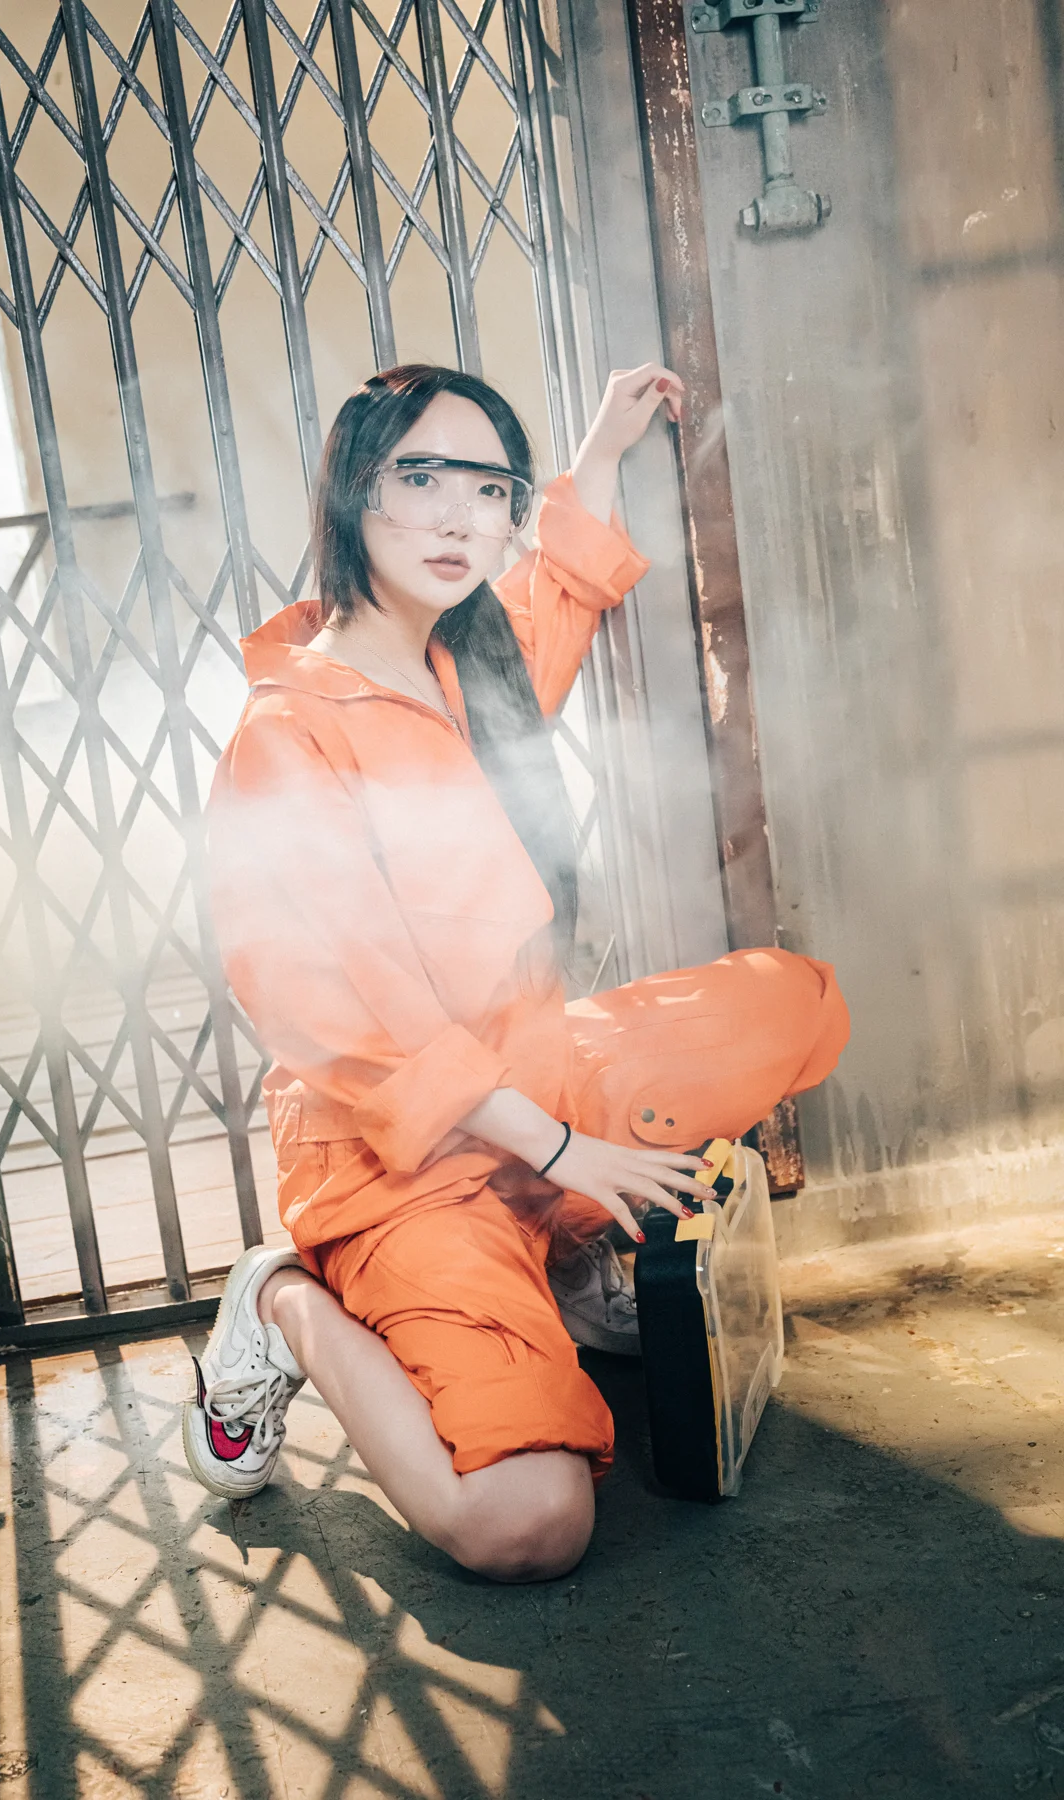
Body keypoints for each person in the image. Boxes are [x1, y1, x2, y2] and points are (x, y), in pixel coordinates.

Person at [186, 362, 850, 1583]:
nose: (460, 515)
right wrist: (561, 1151)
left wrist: (596, 453)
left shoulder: (465, 666)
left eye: (488, 488)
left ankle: (555, 1252)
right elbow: (356, 1024)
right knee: (528, 1525)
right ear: (352, 492)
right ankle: (287, 1303)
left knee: (799, 1004)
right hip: (403, 1164)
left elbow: (552, 603)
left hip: (544, 1075)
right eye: (421, 477)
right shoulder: (290, 736)